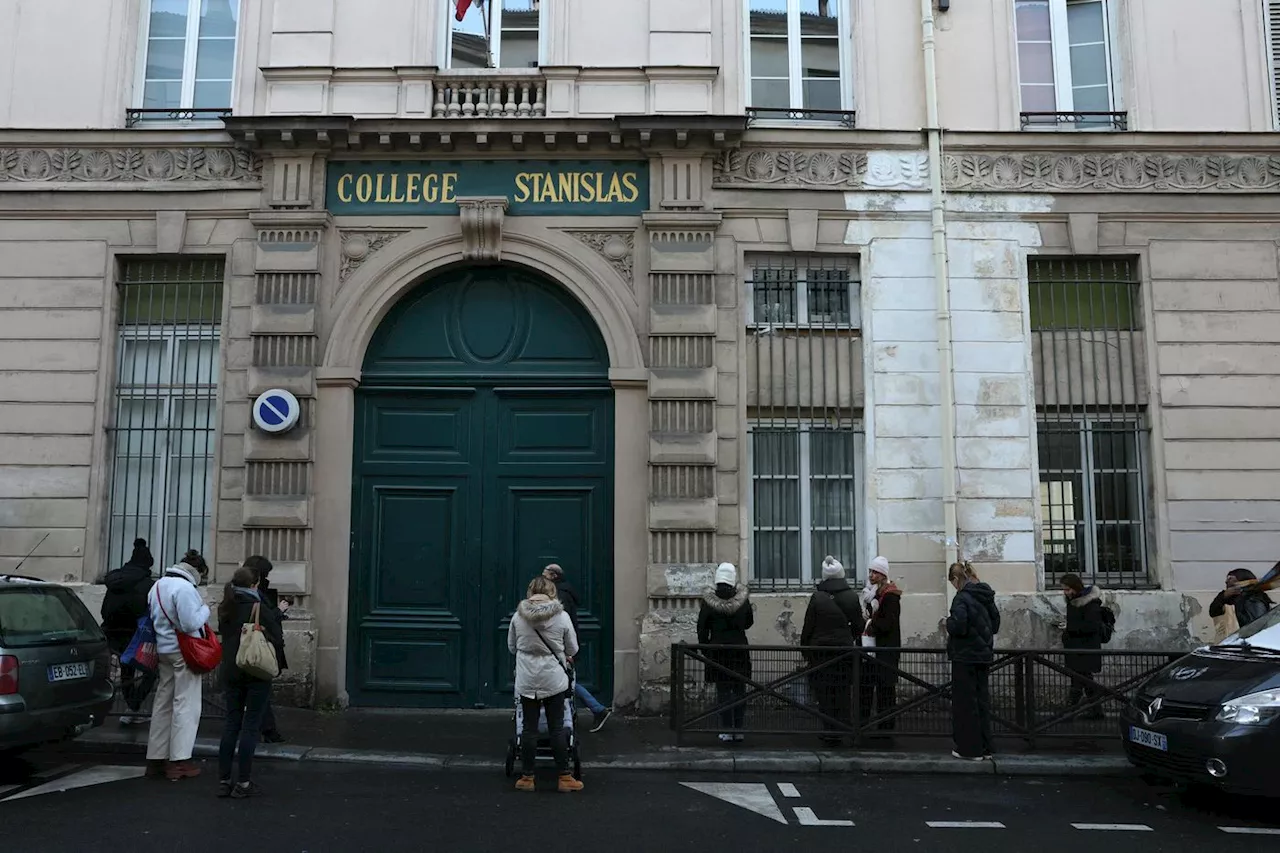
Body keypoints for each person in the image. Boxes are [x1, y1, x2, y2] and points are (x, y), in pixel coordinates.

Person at [508, 576, 583, 793]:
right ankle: (564, 778)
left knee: (529, 729)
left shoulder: (518, 617)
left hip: (527, 678)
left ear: (530, 592)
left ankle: (527, 778)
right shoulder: (562, 617)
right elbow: (573, 648)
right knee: (557, 728)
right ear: (552, 592)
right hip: (553, 678)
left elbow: (512, 646)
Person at [216, 564, 285, 799]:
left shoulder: (226, 606)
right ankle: (243, 782)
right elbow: (276, 637)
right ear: (254, 585)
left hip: (231, 671)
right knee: (251, 725)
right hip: (255, 669)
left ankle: (223, 780)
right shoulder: (258, 606)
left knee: (231, 724)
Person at [146, 550, 211, 781]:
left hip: (164, 650)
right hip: (184, 652)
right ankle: (179, 760)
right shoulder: (185, 589)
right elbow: (190, 623)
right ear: (198, 571)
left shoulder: (158, 586)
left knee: (163, 703)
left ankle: (155, 758)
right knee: (186, 704)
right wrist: (206, 609)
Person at [800, 556, 865, 747]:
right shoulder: (852, 596)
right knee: (842, 690)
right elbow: (859, 625)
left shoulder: (817, 597)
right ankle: (841, 728)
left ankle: (828, 729)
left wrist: (806, 648)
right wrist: (848, 639)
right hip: (844, 652)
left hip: (820, 652)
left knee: (824, 692)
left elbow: (808, 625)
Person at [541, 563, 611, 732]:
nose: (542, 576)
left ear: (554, 576)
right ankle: (585, 711)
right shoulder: (565, 591)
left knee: (567, 682)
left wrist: (566, 651)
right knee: (567, 681)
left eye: (545, 574)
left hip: (562, 646)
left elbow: (561, 625)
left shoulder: (560, 595)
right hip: (565, 644)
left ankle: (597, 709)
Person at [945, 561, 1000, 761]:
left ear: (957, 579)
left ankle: (970, 749)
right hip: (983, 655)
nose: (953, 586)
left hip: (965, 656)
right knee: (981, 701)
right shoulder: (986, 596)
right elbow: (995, 625)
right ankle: (986, 747)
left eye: (952, 581)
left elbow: (959, 625)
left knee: (965, 704)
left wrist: (947, 623)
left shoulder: (962, 598)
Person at [101, 538, 157, 726]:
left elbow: (104, 609)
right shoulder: (147, 583)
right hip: (137, 635)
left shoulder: (115, 580)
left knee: (127, 672)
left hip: (112, 633)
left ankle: (131, 709)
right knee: (152, 670)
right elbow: (150, 611)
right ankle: (134, 706)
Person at [697, 562, 754, 744]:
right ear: (733, 578)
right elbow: (748, 623)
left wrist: (706, 649)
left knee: (723, 691)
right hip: (739, 651)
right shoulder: (742, 600)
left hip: (718, 652)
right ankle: (739, 729)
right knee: (739, 689)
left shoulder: (708, 602)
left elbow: (701, 629)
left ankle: (726, 730)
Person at [244, 555, 288, 744]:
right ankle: (267, 731)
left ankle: (267, 730)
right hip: (256, 650)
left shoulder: (235, 594)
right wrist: (279, 611)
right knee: (260, 693)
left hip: (243, 651)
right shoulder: (255, 596)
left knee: (254, 694)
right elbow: (267, 620)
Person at [860, 556, 902, 736]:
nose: (871, 575)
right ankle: (863, 724)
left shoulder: (890, 596)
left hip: (886, 649)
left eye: (875, 572)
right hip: (874, 648)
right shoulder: (873, 595)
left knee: (885, 689)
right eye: (870, 571)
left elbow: (888, 624)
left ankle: (886, 727)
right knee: (867, 686)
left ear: (883, 575)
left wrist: (870, 623)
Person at [1059, 572, 1106, 719]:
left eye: (1067, 589)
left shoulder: (1089, 603)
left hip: (1085, 648)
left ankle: (1069, 713)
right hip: (1077, 648)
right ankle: (1096, 711)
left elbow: (1091, 627)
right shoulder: (1074, 600)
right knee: (1086, 681)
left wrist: (1070, 628)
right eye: (1064, 589)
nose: (1065, 592)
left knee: (1078, 681)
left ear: (1075, 587)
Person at [1209, 568, 1275, 630]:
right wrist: (1223, 596)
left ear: (1241, 579)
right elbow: (1213, 612)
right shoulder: (1232, 598)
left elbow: (1257, 626)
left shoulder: (1253, 599)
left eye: (1230, 578)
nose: (1226, 581)